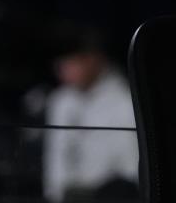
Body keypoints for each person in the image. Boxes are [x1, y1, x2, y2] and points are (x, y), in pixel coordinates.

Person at [43, 26, 138, 202]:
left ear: (93, 59)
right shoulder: (61, 100)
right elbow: (54, 163)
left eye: (71, 62)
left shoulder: (124, 101)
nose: (63, 69)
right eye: (61, 63)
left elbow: (131, 168)